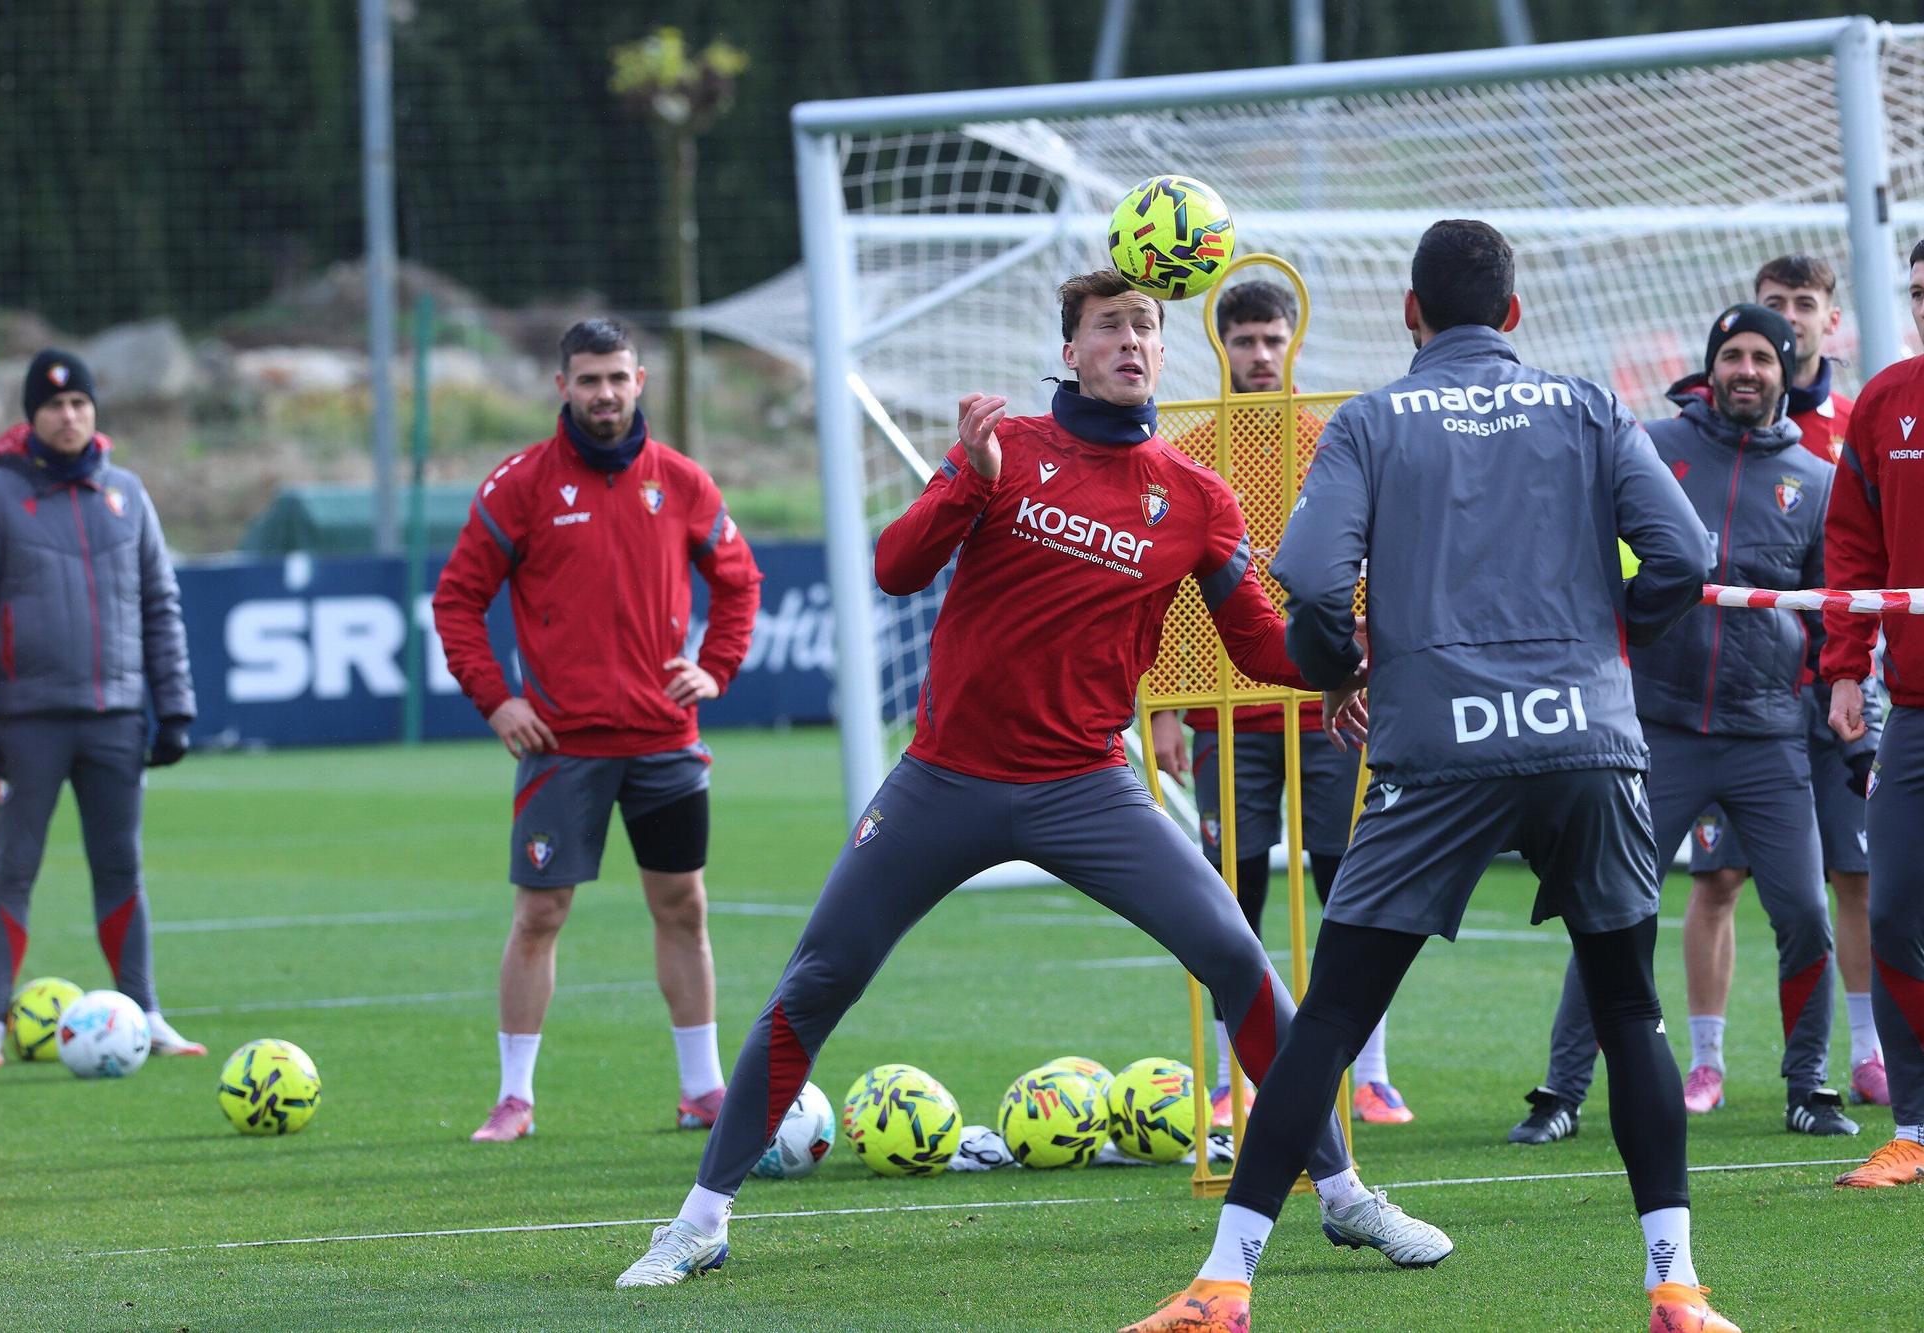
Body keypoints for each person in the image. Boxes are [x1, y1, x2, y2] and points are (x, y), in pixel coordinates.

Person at [616, 271, 1451, 1293]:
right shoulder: (1000, 447)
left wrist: (1340, 665)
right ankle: (701, 1219)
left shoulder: (1194, 497)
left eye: (1145, 326)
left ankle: (1340, 1194)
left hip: (1089, 787)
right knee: (817, 978)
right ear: (1070, 351)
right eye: (1108, 327)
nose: (1131, 342)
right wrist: (963, 476)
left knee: (1239, 960)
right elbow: (891, 566)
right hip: (942, 780)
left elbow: (1257, 642)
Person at [1125, 220, 1735, 1333]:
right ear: (1510, 315)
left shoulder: (1367, 420)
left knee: (1329, 1019)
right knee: (1628, 1006)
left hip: (1435, 745)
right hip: (1584, 737)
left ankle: (1223, 1284)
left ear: (1410, 315)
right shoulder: (1589, 406)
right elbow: (1685, 558)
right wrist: (1607, 645)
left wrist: (1336, 668)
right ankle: (1675, 1285)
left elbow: (1309, 576)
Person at [1514, 302, 1858, 1146]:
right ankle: (1561, 1093)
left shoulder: (1815, 482)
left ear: (1787, 370)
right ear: (1712, 367)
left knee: (1805, 915)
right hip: (1654, 728)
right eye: (1732, 356)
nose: (1746, 370)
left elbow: (1828, 621)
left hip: (1769, 736)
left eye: (1762, 359)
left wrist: (1838, 698)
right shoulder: (1656, 449)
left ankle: (1807, 1086)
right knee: (1607, 907)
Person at [432, 319, 762, 1142]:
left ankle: (702, 1090)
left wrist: (715, 668)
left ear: (640, 380)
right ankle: (514, 1097)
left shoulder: (682, 481)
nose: (604, 394)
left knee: (682, 906)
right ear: (562, 387)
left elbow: (740, 580)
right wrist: (497, 701)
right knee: (540, 913)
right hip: (561, 746)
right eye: (589, 380)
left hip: (664, 740)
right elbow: (456, 600)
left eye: (617, 378)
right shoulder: (520, 485)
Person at [1150, 279, 1412, 1128]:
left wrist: (1374, 664)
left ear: (1295, 342)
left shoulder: (1330, 440)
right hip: (1227, 713)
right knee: (1234, 897)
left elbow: (1374, 561)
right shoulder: (1187, 449)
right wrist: (1161, 704)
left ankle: (1366, 1072)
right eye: (1245, 341)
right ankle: (1239, 1076)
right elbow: (1164, 590)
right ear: (1219, 345)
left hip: (1333, 708)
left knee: (1353, 887)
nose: (1260, 357)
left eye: (1272, 340)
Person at [0, 348, 205, 1068]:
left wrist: (173, 706)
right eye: (54, 406)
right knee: (11, 867)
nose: (69, 416)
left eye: (80, 404)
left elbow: (161, 604)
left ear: (95, 412)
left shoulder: (128, 495)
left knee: (121, 866)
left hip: (115, 716)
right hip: (24, 724)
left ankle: (146, 1009)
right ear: (31, 418)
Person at [1680, 254, 1886, 1112]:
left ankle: (1868, 1052)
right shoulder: (1698, 429)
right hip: (1739, 699)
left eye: (1804, 305)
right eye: (1774, 306)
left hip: (1835, 689)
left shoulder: (1858, 421)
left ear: (1829, 321)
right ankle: (1706, 1061)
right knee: (1718, 880)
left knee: (1853, 874)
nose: (1789, 319)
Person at [1825, 236, 1924, 1188]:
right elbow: (1852, 551)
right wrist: (1847, 668)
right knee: (1893, 912)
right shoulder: (1887, 401)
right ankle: (1917, 1127)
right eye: (1921, 292)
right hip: (1917, 710)